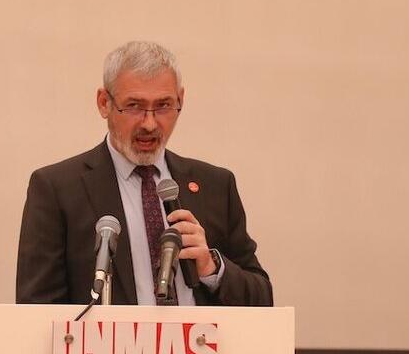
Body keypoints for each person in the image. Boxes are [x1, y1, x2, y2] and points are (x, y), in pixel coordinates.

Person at [16, 40, 272, 306]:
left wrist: (212, 267)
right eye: (134, 106)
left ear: (181, 101)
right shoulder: (57, 190)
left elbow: (262, 300)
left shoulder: (216, 185)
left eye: (163, 106)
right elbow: (35, 308)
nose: (149, 124)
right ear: (104, 103)